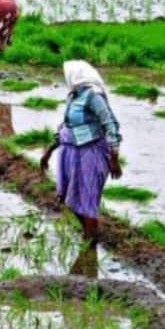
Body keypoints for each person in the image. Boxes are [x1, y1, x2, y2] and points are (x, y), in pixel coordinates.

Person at [40, 60, 123, 278]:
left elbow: (111, 125)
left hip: (90, 153)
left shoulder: (94, 97)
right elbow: (65, 125)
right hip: (70, 153)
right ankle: (88, 236)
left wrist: (114, 158)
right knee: (71, 199)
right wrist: (49, 150)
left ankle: (90, 242)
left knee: (87, 199)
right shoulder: (73, 96)